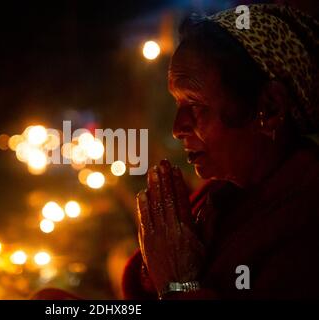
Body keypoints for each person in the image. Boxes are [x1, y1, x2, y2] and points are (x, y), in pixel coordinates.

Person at [122, 4, 319, 299]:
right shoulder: (221, 192)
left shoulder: (306, 222)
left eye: (197, 106)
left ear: (270, 108)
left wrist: (178, 283)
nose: (178, 128)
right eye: (178, 105)